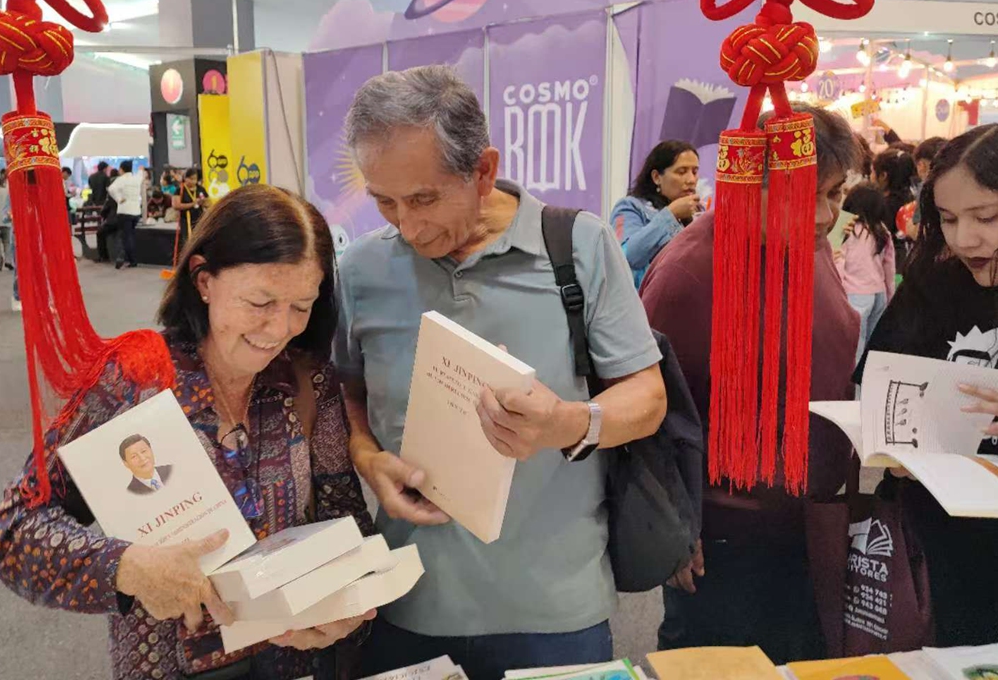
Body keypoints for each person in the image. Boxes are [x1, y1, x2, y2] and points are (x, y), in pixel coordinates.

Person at [336, 66, 667, 679]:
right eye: (386, 202)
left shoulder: (579, 247)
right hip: (409, 604)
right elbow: (346, 387)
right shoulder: (360, 269)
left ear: (483, 171)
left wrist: (569, 423)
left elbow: (647, 398)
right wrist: (365, 455)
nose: (407, 226)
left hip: (555, 609)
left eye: (425, 199)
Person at [0, 184, 375, 680]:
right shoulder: (135, 379)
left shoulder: (307, 379)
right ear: (204, 280)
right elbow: (15, 530)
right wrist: (126, 567)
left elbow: (345, 514)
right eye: (260, 302)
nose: (280, 329)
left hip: (296, 660)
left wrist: (344, 601)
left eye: (301, 306)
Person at [641, 104, 862, 664]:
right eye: (804, 194)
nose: (821, 214)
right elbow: (651, 411)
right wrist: (673, 526)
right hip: (723, 539)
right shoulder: (688, 273)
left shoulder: (809, 244)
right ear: (749, 181)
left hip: (809, 521)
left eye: (834, 194)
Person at [857, 124, 998, 648]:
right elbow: (880, 378)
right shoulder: (934, 278)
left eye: (987, 218)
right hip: (935, 546)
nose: (965, 239)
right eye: (949, 219)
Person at [610, 141, 701, 288]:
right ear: (656, 177)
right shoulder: (630, 207)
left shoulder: (699, 215)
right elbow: (626, 257)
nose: (691, 180)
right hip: (644, 305)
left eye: (695, 172)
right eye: (682, 172)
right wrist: (671, 214)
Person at [836, 183, 896, 364]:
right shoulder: (882, 231)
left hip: (854, 295)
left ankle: (854, 389)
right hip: (878, 293)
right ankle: (868, 382)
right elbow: (889, 267)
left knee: (855, 345)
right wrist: (890, 294)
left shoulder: (844, 228)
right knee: (873, 344)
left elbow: (837, 261)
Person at [873, 146, 918, 269]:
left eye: (872, 172)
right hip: (911, 264)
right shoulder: (916, 201)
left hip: (888, 266)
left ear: (883, 176)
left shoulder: (880, 206)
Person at [109, 160, 142, 269]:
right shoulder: (136, 178)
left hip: (124, 211)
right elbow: (142, 175)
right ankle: (132, 259)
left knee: (125, 237)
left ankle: (131, 260)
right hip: (136, 211)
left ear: (121, 169)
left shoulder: (121, 180)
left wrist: (119, 199)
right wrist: (141, 171)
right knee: (131, 235)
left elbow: (111, 189)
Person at [174, 168, 210, 243]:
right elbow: (176, 205)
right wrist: (192, 204)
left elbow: (208, 203)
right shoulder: (180, 189)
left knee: (200, 240)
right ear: (185, 178)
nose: (193, 181)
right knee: (188, 241)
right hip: (186, 219)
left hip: (199, 218)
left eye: (195, 179)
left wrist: (203, 202)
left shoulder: (201, 189)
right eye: (191, 179)